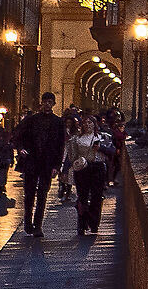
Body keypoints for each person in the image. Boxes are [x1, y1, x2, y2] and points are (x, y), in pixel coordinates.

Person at [15, 93, 66, 238]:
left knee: (43, 193)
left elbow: (60, 145)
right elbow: (18, 135)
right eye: (45, 102)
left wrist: (57, 165)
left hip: (47, 163)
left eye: (50, 102)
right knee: (29, 194)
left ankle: (38, 225)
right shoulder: (31, 120)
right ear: (42, 102)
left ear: (53, 104)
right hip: (31, 160)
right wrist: (21, 148)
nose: (47, 104)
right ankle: (28, 222)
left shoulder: (58, 122)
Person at [65, 117, 110, 236]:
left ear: (94, 124)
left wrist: (101, 148)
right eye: (85, 122)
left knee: (96, 196)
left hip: (97, 167)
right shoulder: (77, 139)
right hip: (82, 169)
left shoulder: (102, 137)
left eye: (89, 122)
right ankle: (82, 224)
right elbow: (72, 156)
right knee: (82, 197)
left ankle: (94, 223)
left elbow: (112, 151)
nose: (87, 124)